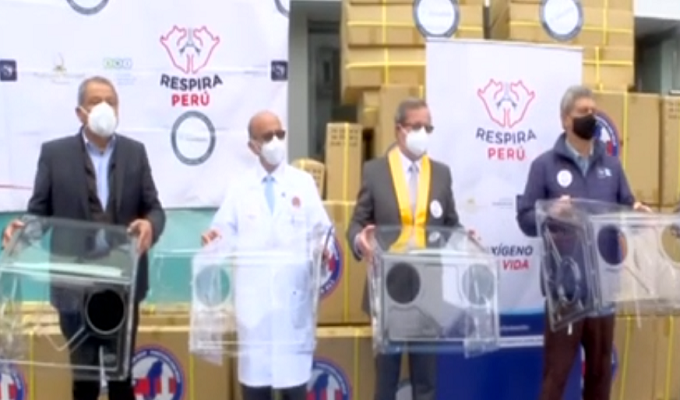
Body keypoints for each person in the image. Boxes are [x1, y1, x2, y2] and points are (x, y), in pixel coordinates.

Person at [1, 76, 166, 400]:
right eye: (95, 101)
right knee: (85, 380)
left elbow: (155, 209)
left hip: (122, 285)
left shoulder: (135, 153)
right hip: (73, 287)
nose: (104, 107)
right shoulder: (55, 154)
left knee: (121, 379)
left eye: (111, 101)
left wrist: (150, 225)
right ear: (80, 112)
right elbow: (39, 214)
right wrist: (21, 232)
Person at [515, 85, 650, 400]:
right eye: (583, 112)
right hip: (566, 293)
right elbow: (525, 219)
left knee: (600, 374)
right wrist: (550, 213)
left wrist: (636, 212)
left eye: (593, 111)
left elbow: (626, 207)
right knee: (556, 375)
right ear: (566, 120)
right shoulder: (544, 166)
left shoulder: (612, 166)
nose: (591, 117)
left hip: (603, 291)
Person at [202, 111, 331, 400]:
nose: (275, 141)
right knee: (255, 389)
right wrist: (213, 240)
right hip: (255, 308)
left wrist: (323, 251)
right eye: (267, 136)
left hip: (292, 303)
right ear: (253, 146)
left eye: (279, 134)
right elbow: (223, 232)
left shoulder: (303, 183)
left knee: (294, 387)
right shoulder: (240, 186)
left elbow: (323, 233)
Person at [347, 98, 461, 400]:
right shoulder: (375, 171)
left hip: (429, 292)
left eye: (428, 127)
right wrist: (361, 241)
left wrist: (465, 238)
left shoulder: (441, 173)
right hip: (388, 291)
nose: (423, 133)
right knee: (386, 381)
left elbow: (450, 224)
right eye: (416, 126)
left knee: (426, 382)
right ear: (399, 130)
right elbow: (356, 224)